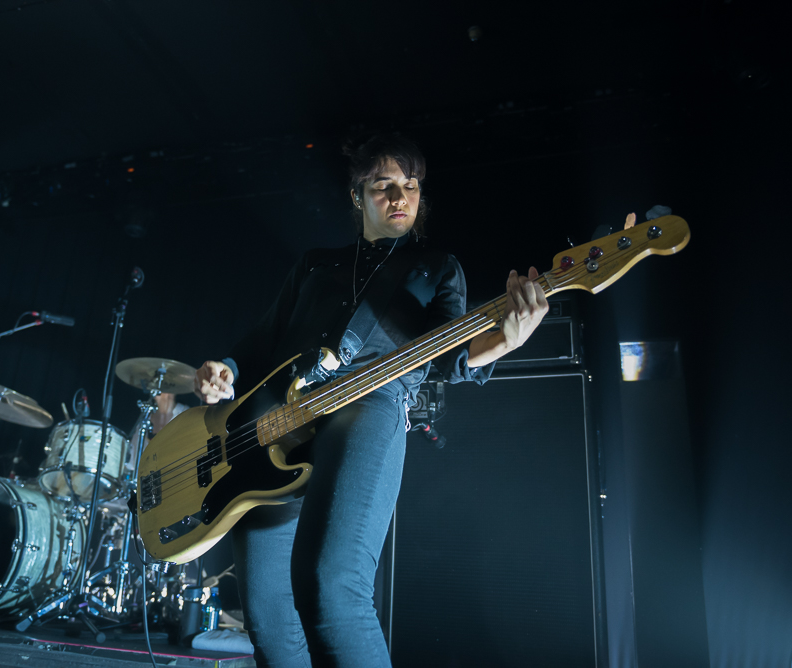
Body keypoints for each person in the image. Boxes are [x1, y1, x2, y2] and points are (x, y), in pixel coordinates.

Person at [192, 134, 550, 668]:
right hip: (274, 422)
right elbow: (263, 340)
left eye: (411, 185)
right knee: (267, 616)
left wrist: (507, 339)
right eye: (384, 185)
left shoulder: (435, 267)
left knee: (328, 587)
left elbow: (453, 355)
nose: (400, 196)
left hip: (367, 404)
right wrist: (226, 369)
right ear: (357, 196)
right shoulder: (315, 264)